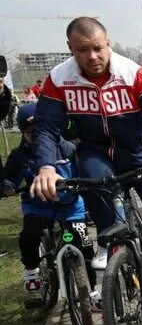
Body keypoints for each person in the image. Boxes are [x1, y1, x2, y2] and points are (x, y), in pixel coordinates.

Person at [29, 17, 142, 316]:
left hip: (140, 152)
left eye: (97, 48)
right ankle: (107, 237)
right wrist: (46, 168)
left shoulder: (134, 73)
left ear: (108, 43)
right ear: (70, 49)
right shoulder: (59, 78)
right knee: (91, 178)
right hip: (95, 151)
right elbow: (46, 128)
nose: (91, 57)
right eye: (82, 50)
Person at [3, 103, 100, 307]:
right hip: (38, 206)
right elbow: (9, 177)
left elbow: (84, 170)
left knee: (85, 247)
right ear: (23, 131)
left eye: (39, 129)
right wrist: (8, 186)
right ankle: (31, 270)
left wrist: (86, 184)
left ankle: (91, 289)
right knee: (30, 234)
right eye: (29, 131)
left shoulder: (68, 148)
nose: (35, 135)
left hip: (70, 205)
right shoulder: (19, 156)